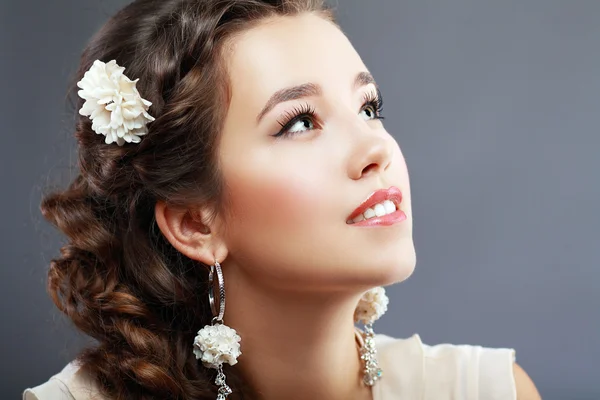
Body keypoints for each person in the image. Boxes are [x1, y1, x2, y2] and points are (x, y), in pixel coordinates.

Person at [23, 0, 542, 399]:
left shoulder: (492, 389)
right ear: (195, 223)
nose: (376, 148)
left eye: (368, 107)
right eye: (300, 122)